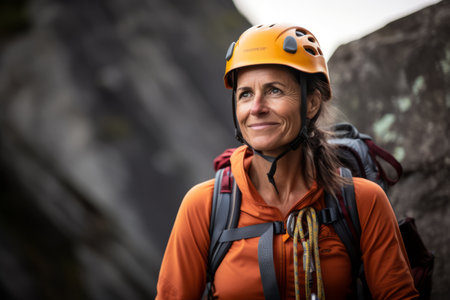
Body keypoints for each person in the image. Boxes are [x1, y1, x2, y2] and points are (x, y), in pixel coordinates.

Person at [156, 24, 418, 300]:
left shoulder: (361, 201)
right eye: (245, 94)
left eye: (274, 91)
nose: (256, 108)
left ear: (312, 104)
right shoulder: (205, 207)